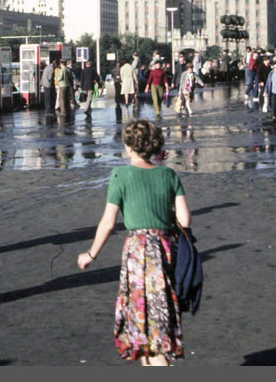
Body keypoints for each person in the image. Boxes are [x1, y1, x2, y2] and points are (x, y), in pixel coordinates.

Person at [77, 119, 190, 366]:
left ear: (129, 146)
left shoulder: (121, 175)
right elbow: (184, 218)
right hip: (165, 249)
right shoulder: (169, 174)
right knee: (160, 316)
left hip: (138, 252)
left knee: (142, 322)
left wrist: (90, 254)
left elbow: (107, 223)